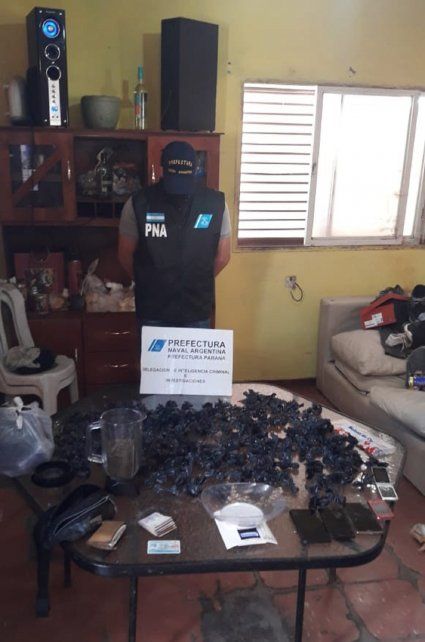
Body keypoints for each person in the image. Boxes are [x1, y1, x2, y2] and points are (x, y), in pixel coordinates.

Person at [118, 141, 231, 328]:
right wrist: (149, 282)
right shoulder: (138, 203)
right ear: (162, 169)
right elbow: (124, 255)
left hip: (196, 310)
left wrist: (195, 281)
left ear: (195, 170)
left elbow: (223, 256)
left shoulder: (216, 204)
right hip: (153, 310)